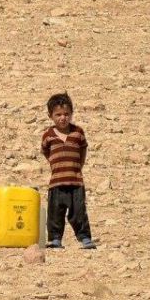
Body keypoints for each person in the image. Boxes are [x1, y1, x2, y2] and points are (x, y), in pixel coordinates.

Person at [41, 92, 96, 249]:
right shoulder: (48, 135)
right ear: (50, 115)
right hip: (56, 182)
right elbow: (46, 152)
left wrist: (79, 166)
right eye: (58, 114)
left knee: (78, 211)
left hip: (75, 181)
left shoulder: (77, 132)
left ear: (71, 114)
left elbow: (83, 149)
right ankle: (55, 239)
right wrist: (56, 164)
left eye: (66, 114)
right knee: (55, 212)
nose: (62, 118)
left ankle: (84, 238)